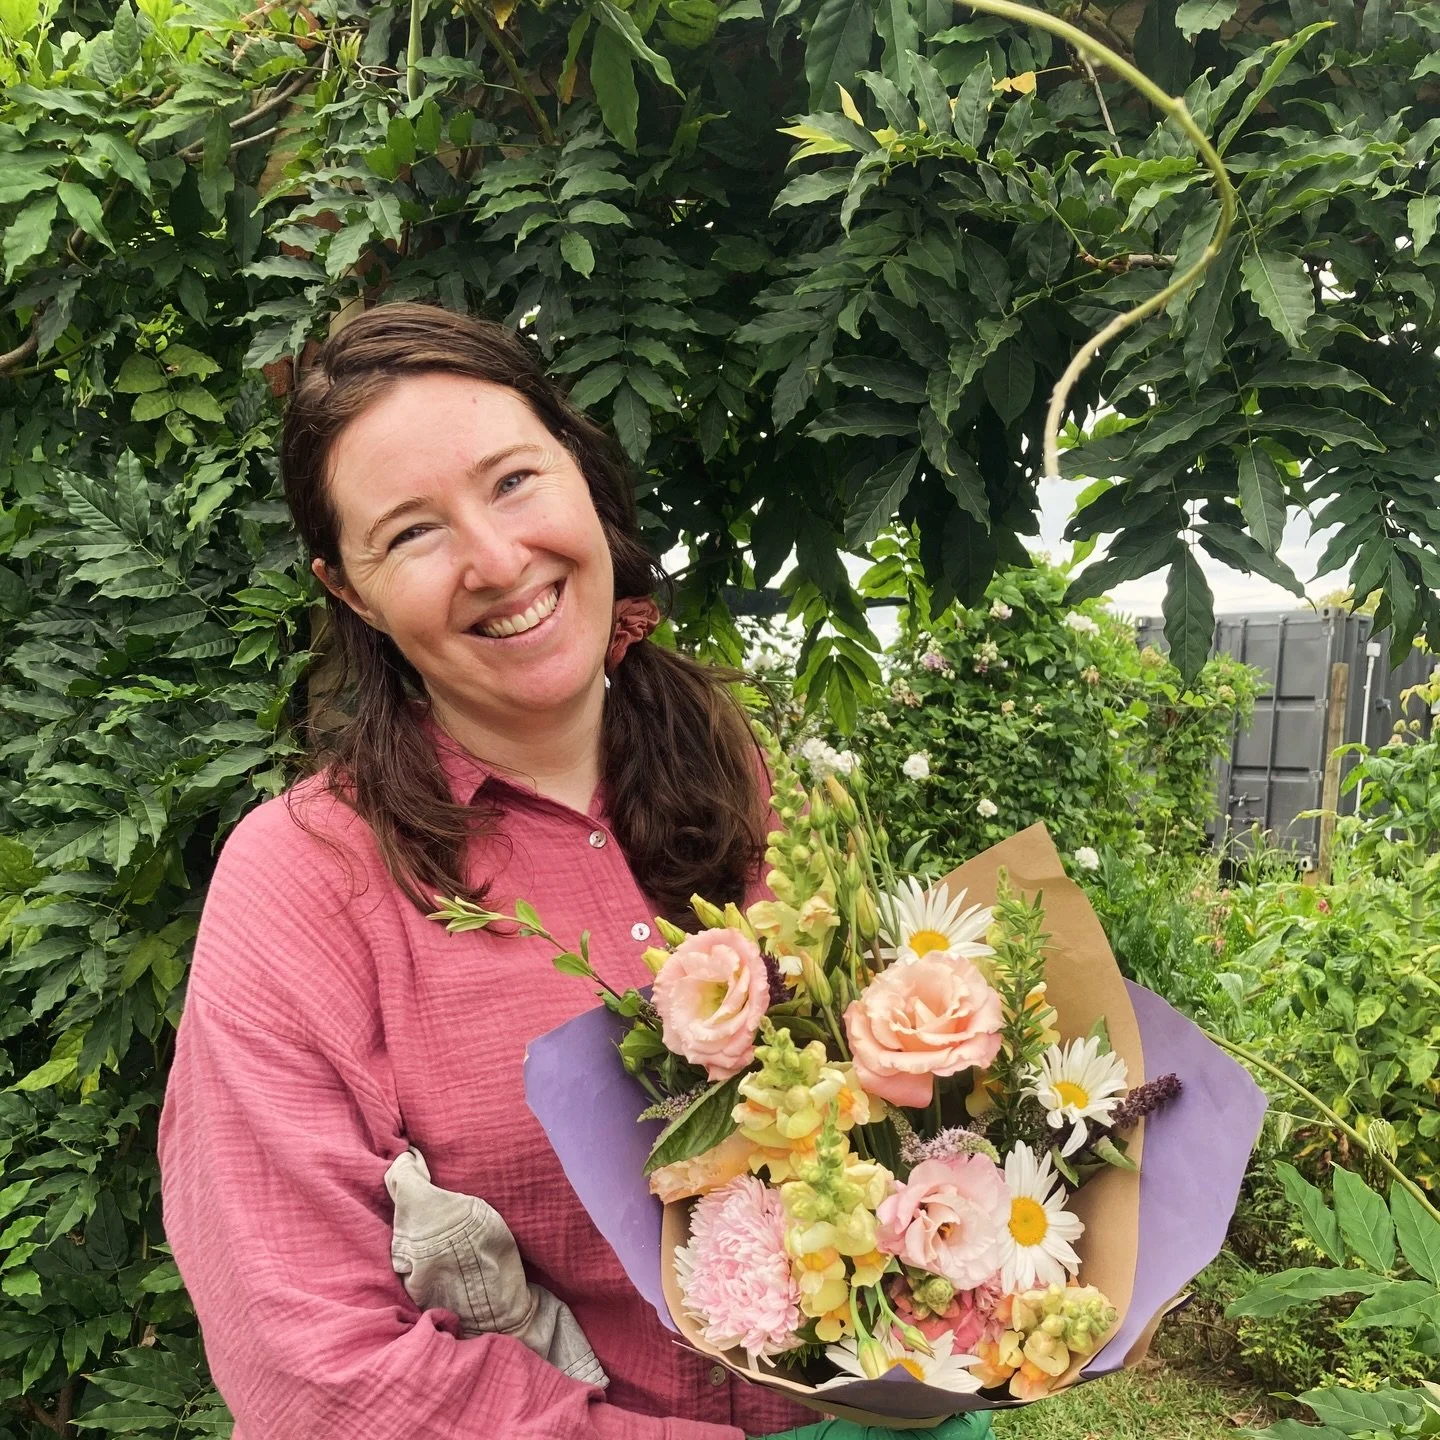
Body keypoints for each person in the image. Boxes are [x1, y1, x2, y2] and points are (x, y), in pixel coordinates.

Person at [157, 302, 990, 1440]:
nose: (497, 561)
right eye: (410, 534)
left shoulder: (738, 766)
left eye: (512, 481)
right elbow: (315, 1369)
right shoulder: (308, 879)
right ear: (349, 592)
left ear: (583, 474)